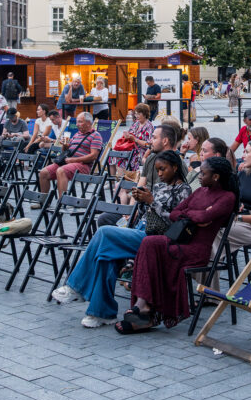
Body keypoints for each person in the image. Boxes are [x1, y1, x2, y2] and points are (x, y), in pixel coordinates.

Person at [52, 150, 192, 328]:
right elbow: (146, 216)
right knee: (106, 256)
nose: (160, 174)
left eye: (163, 169)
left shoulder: (184, 190)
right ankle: (101, 313)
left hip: (159, 239)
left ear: (175, 167)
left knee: (104, 233)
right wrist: (141, 202)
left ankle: (76, 286)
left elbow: (176, 221)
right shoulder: (158, 187)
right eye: (157, 170)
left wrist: (151, 202)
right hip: (144, 230)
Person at [116, 157, 238, 334]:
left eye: (203, 173)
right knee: (149, 242)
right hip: (180, 239)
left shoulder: (228, 197)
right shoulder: (200, 192)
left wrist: (193, 215)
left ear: (216, 176)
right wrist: (197, 214)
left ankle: (147, 313)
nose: (199, 176)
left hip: (197, 249)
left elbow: (202, 218)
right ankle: (142, 304)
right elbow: (175, 213)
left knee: (163, 252)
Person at [208, 140, 251, 287]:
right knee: (209, 229)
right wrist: (235, 206)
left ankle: (209, 285)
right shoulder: (242, 175)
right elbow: (233, 199)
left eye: (247, 152)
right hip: (237, 222)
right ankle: (206, 276)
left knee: (216, 232)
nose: (243, 155)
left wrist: (237, 217)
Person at [97, 124, 180, 227]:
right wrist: (130, 212)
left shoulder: (177, 164)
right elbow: (139, 188)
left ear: (165, 141)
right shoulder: (151, 158)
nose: (150, 141)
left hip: (155, 215)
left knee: (105, 230)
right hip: (140, 210)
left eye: (154, 138)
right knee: (104, 219)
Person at [38, 111, 103, 196]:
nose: (77, 124)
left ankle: (61, 203)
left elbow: (94, 156)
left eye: (80, 122)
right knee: (43, 173)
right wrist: (65, 145)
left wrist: (74, 160)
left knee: (61, 171)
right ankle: (43, 201)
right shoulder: (77, 135)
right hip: (68, 162)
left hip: (83, 165)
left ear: (88, 123)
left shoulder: (96, 135)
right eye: (77, 122)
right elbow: (65, 151)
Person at [114, 103, 154, 173]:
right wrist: (126, 136)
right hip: (131, 148)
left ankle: (125, 179)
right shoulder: (136, 124)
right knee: (113, 155)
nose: (136, 116)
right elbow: (130, 134)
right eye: (135, 114)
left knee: (126, 156)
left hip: (142, 151)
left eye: (139, 114)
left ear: (145, 114)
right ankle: (115, 181)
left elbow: (148, 145)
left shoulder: (149, 126)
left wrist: (135, 139)